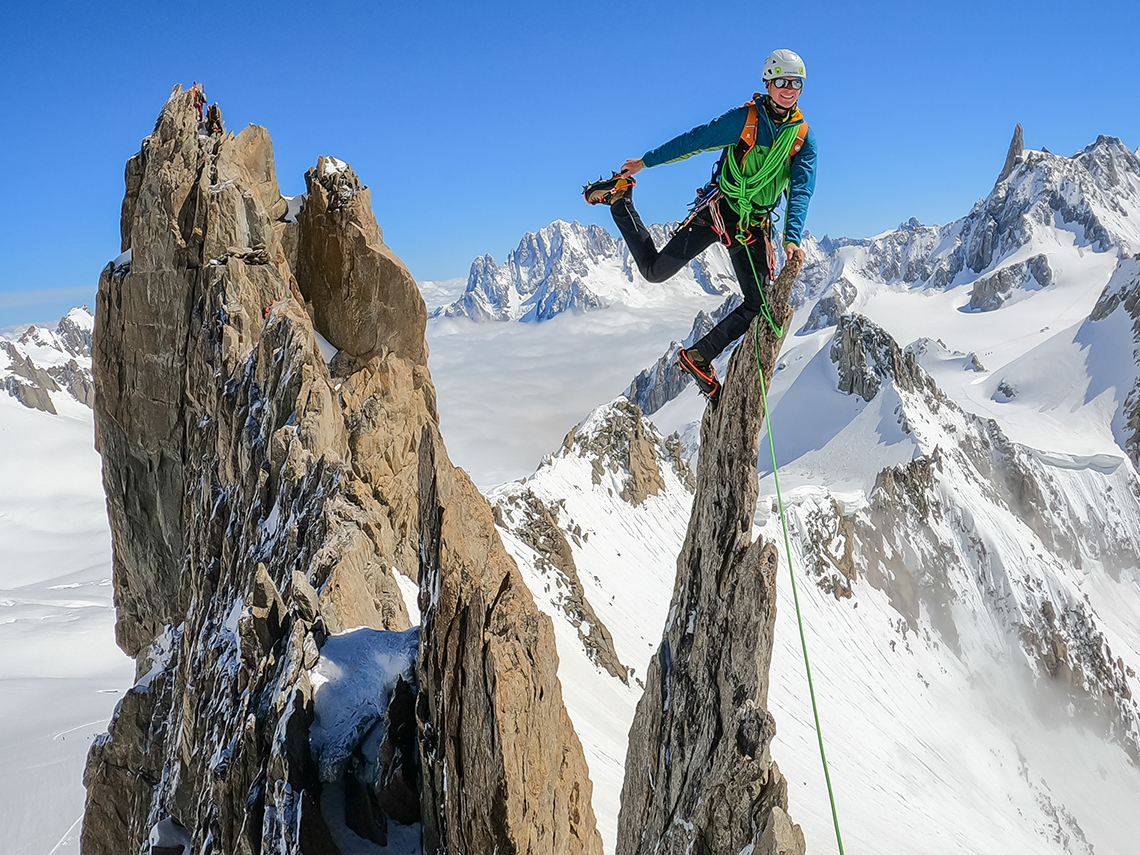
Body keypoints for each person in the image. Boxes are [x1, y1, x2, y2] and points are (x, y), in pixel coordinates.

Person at [585, 48, 817, 399]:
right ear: (768, 83)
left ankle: (699, 356)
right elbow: (695, 140)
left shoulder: (802, 138)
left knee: (760, 305)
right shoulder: (745, 120)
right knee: (654, 272)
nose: (789, 89)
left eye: (796, 83)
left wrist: (792, 237)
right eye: (782, 81)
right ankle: (620, 200)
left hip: (753, 225)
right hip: (720, 210)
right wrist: (646, 162)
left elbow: (801, 189)